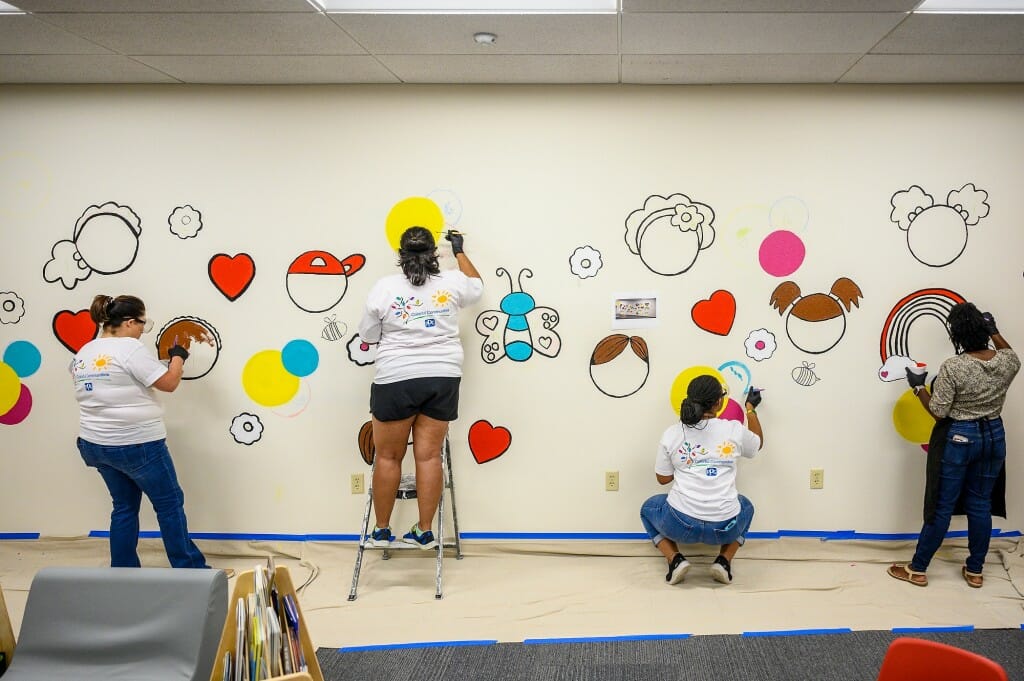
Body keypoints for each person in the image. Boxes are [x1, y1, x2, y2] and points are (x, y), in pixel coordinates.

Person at [71, 294, 223, 573]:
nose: (143, 330)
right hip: (136, 444)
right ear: (129, 322)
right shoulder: (129, 348)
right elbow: (168, 383)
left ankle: (124, 572)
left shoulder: (85, 352)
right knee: (169, 505)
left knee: (124, 507)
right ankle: (191, 570)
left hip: (95, 444)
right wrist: (177, 358)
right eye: (143, 324)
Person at [358, 227, 482, 549]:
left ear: (400, 255)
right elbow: (477, 287)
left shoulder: (384, 288)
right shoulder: (452, 281)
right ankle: (425, 531)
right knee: (428, 457)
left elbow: (369, 337)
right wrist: (459, 250)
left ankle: (382, 531)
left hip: (395, 377)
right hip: (443, 375)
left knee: (387, 456)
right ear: (434, 253)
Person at [888, 303, 1019, 588]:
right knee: (980, 503)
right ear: (984, 329)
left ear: (956, 336)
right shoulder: (1005, 361)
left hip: (960, 437)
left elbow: (938, 412)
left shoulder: (954, 367)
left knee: (942, 505)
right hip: (994, 434)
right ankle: (975, 571)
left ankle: (918, 568)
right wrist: (994, 330)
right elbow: (1011, 354)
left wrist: (918, 386)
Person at [640, 375, 764, 585]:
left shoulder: (672, 433)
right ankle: (724, 561)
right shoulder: (733, 429)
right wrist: (750, 408)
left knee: (648, 508)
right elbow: (757, 443)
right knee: (747, 507)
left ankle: (675, 560)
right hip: (724, 527)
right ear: (718, 403)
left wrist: (688, 465)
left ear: (689, 399)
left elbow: (662, 479)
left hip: (679, 525)